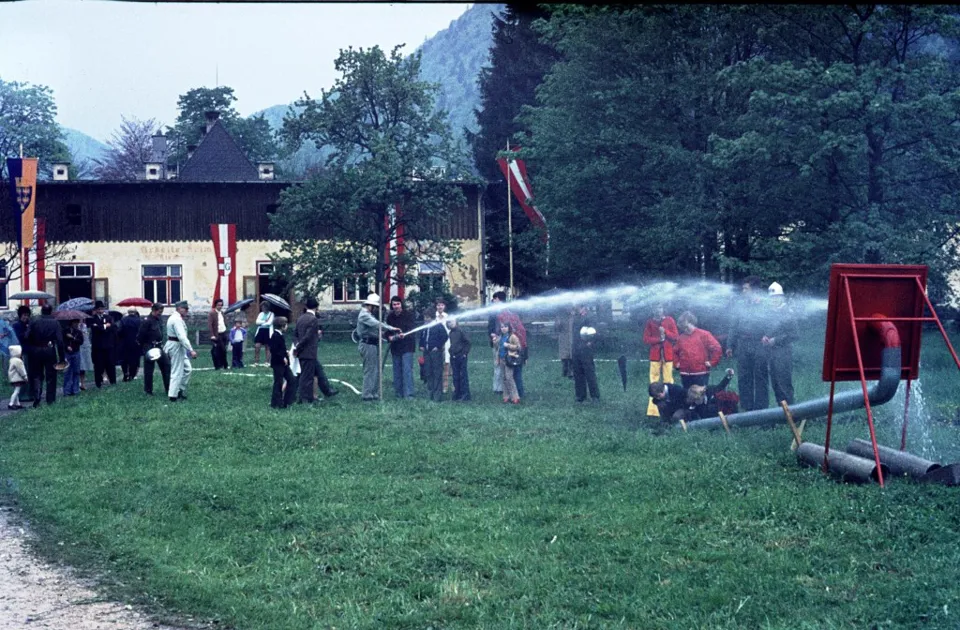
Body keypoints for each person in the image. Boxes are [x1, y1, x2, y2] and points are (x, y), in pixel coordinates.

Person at [726, 275, 769, 411]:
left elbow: (772, 323)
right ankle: (747, 409)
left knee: (760, 377)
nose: (743, 291)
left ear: (754, 290)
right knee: (744, 377)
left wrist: (767, 335)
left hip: (759, 344)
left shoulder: (764, 304)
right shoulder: (740, 305)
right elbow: (734, 325)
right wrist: (729, 345)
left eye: (746, 289)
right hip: (743, 344)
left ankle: (761, 410)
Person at [355, 294, 400, 401]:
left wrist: (388, 336)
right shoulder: (364, 315)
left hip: (373, 344)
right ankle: (367, 394)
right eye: (375, 307)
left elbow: (376, 331)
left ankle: (373, 392)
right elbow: (377, 324)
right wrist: (392, 328)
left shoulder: (369, 314)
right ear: (370, 306)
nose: (376, 309)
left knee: (376, 370)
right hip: (367, 345)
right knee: (370, 369)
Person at [764, 282, 798, 406]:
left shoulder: (788, 312)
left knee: (784, 383)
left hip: (783, 353)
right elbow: (770, 330)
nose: (773, 300)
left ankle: (791, 413)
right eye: (771, 298)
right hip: (772, 353)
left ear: (781, 297)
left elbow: (794, 334)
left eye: (775, 297)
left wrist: (776, 340)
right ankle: (782, 412)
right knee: (776, 384)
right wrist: (766, 337)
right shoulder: (770, 312)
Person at [643, 304, 679, 417]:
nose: (657, 310)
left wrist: (666, 332)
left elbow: (675, 336)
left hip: (668, 355)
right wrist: (659, 339)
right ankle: (653, 410)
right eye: (655, 308)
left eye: (660, 307)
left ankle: (671, 405)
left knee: (668, 379)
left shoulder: (669, 320)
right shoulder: (650, 322)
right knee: (653, 380)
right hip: (655, 355)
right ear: (652, 309)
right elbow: (646, 339)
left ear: (663, 309)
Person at [25, 304, 65, 407]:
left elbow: (26, 336)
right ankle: (50, 400)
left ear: (42, 311)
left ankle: (37, 398)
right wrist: (61, 358)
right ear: (51, 311)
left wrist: (32, 345)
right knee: (51, 375)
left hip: (36, 350)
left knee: (37, 375)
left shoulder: (34, 321)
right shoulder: (55, 323)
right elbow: (60, 341)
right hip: (49, 350)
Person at [674, 311, 722, 389]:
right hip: (685, 373)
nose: (685, 330)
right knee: (687, 396)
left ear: (692, 322)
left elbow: (717, 348)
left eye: (686, 327)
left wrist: (712, 362)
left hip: (701, 372)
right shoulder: (680, 338)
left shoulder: (704, 334)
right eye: (683, 329)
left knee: (700, 395)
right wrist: (676, 363)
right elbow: (675, 352)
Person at [164, 300, 197, 402]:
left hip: (178, 345)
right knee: (177, 371)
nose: (187, 310)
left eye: (187, 308)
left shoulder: (176, 318)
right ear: (179, 308)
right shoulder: (176, 319)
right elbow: (181, 337)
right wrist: (191, 350)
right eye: (185, 308)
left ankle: (179, 389)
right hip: (176, 345)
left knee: (187, 369)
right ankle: (173, 396)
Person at [496, 297, 528, 399]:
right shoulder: (515, 321)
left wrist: (523, 354)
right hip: (510, 355)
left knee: (515, 375)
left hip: (515, 354)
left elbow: (521, 342)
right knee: (509, 376)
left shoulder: (514, 330)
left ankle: (518, 394)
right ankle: (511, 394)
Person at [386, 296, 416, 399]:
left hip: (407, 347)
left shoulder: (408, 315)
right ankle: (398, 394)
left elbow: (412, 330)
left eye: (398, 304)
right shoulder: (390, 317)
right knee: (397, 371)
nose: (396, 306)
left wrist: (404, 334)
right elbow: (387, 331)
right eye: (394, 304)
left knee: (407, 370)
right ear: (392, 306)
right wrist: (389, 337)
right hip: (395, 348)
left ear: (401, 304)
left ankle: (409, 394)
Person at [137, 303, 171, 396]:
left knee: (167, 366)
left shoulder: (159, 319)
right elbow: (140, 336)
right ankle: (148, 391)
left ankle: (169, 389)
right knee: (149, 370)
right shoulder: (147, 321)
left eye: (161, 312)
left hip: (159, 347)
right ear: (154, 310)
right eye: (159, 312)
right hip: (149, 347)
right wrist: (145, 348)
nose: (160, 314)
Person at [294, 297, 322, 405]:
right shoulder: (313, 319)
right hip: (308, 351)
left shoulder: (300, 318)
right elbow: (308, 336)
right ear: (316, 307)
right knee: (307, 376)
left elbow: (296, 334)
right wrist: (299, 346)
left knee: (306, 374)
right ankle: (305, 398)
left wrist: (297, 345)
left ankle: (306, 396)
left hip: (301, 351)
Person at [571, 304, 600, 403]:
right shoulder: (576, 317)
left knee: (589, 373)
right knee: (577, 373)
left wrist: (590, 342)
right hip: (576, 348)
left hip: (585, 350)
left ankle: (595, 396)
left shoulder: (590, 316)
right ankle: (580, 396)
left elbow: (594, 332)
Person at [419, 309, 449, 402]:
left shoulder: (438, 326)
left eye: (427, 317)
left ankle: (437, 395)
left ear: (431, 317)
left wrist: (438, 346)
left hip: (436, 353)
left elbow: (445, 336)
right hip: (426, 352)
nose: (425, 319)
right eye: (425, 317)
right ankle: (430, 393)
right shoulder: (425, 327)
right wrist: (421, 345)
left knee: (437, 373)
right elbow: (422, 337)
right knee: (428, 372)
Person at [269, 316, 296, 409]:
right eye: (286, 325)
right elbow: (274, 350)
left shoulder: (279, 335)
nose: (287, 326)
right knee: (278, 382)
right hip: (278, 363)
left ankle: (286, 401)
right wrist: (282, 357)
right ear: (282, 326)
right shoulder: (275, 335)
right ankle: (277, 403)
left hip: (283, 363)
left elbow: (280, 348)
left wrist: (286, 352)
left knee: (291, 380)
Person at [90, 300, 117, 387]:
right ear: (96, 310)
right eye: (99, 309)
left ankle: (112, 381)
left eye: (102, 308)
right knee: (98, 364)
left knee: (110, 363)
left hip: (108, 345)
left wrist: (103, 327)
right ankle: (98, 382)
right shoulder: (92, 318)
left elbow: (112, 327)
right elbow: (96, 329)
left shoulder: (109, 317)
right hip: (98, 346)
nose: (101, 310)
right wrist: (105, 326)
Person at [11, 305, 33, 402]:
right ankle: (22, 395)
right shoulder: (16, 325)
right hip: (20, 352)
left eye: (28, 315)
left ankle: (29, 393)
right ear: (20, 315)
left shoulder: (29, 324)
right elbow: (20, 338)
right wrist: (27, 330)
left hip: (30, 351)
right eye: (24, 315)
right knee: (22, 373)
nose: (26, 317)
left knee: (30, 373)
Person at [447, 317, 472, 402]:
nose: (451, 323)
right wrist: (451, 352)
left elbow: (468, 342)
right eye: (449, 322)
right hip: (454, 357)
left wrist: (464, 353)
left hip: (461, 356)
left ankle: (465, 395)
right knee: (455, 376)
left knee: (463, 376)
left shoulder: (461, 331)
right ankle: (457, 394)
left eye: (452, 321)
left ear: (456, 322)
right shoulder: (451, 333)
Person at [497, 321, 521, 404]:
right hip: (501, 359)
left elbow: (518, 347)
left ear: (509, 327)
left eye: (505, 326)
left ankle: (515, 397)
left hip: (509, 359)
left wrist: (508, 346)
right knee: (503, 378)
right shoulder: (500, 337)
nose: (503, 328)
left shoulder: (512, 336)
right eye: (502, 327)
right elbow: (499, 348)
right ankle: (506, 396)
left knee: (509, 378)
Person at [488, 291, 505, 395]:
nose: (493, 301)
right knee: (497, 363)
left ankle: (502, 387)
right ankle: (497, 388)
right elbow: (490, 326)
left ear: (498, 299)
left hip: (503, 340)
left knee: (502, 364)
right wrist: (492, 334)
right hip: (496, 340)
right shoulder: (493, 311)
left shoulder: (505, 311)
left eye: (494, 299)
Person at [433, 298, 452, 393]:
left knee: (446, 363)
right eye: (438, 305)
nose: (440, 307)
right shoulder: (433, 317)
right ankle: (437, 385)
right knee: (437, 364)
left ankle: (445, 386)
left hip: (447, 342)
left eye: (442, 305)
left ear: (444, 306)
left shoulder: (447, 316)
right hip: (436, 342)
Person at [119, 308, 142, 381]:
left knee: (124, 359)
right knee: (134, 359)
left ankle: (125, 374)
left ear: (128, 312)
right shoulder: (139, 320)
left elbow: (120, 331)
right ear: (135, 312)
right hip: (136, 342)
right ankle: (132, 375)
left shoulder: (123, 320)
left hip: (125, 342)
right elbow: (141, 331)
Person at [62, 318, 83, 396]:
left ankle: (75, 390)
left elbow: (81, 341)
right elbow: (62, 342)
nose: (76, 324)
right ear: (71, 323)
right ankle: (67, 391)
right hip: (67, 353)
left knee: (76, 371)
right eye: (75, 322)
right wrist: (67, 346)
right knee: (67, 372)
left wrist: (73, 338)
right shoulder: (65, 331)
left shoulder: (78, 332)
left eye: (77, 322)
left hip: (76, 352)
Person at [207, 299, 229, 370]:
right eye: (218, 305)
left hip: (223, 333)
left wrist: (226, 326)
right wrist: (212, 335)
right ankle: (220, 365)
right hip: (217, 334)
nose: (220, 306)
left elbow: (224, 322)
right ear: (215, 305)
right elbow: (210, 325)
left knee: (222, 350)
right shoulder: (212, 313)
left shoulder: (222, 313)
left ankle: (223, 365)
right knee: (220, 350)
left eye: (221, 305)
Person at [253, 301, 274, 366]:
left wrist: (261, 322)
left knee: (267, 347)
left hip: (268, 331)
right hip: (260, 331)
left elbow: (269, 323)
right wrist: (264, 321)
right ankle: (256, 361)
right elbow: (257, 322)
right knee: (257, 346)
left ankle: (267, 361)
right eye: (262, 307)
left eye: (264, 307)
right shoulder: (260, 314)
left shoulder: (271, 314)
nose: (263, 308)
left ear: (267, 307)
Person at [555, 305, 574, 379]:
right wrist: (558, 323)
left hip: (572, 338)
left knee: (572, 356)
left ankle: (571, 372)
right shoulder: (560, 316)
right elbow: (556, 328)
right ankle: (565, 371)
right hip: (564, 338)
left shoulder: (574, 316)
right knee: (564, 356)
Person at [7, 345, 27, 410]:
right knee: (17, 391)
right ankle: (11, 403)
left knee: (16, 391)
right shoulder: (18, 361)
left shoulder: (11, 359)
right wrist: (25, 376)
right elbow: (21, 370)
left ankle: (17, 403)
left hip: (12, 378)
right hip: (17, 378)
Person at [78, 318, 93, 391]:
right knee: (77, 366)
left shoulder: (84, 326)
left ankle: (82, 383)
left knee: (83, 367)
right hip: (77, 348)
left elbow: (87, 337)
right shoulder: (74, 327)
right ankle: (77, 383)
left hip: (84, 348)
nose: (81, 320)